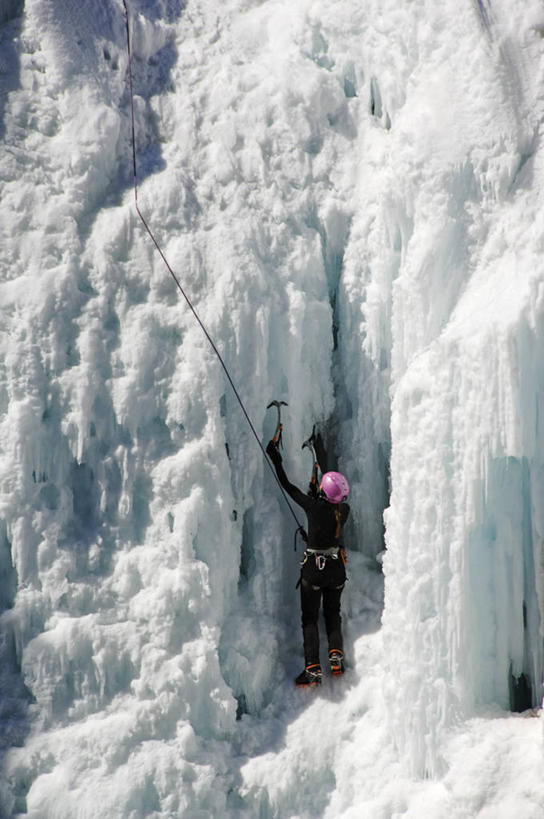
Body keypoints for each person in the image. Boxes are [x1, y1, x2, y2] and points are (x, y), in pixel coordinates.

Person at [266, 439, 350, 686]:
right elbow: (331, 495)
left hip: (314, 570)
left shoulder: (312, 506)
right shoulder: (343, 511)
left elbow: (287, 486)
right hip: (336, 570)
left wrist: (275, 457)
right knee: (333, 614)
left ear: (323, 491)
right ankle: (336, 657)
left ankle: (312, 667)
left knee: (310, 618)